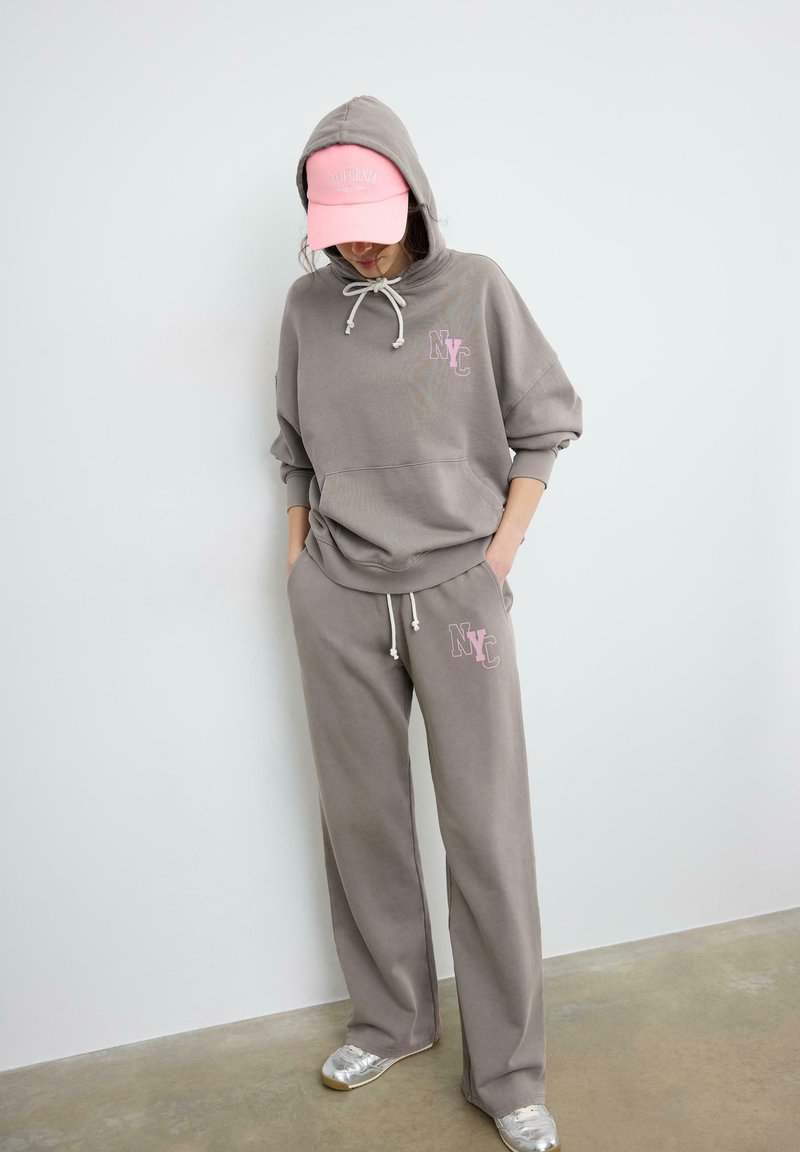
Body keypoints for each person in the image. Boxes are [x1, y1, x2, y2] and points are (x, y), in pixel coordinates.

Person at [269, 93, 582, 1152]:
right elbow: (292, 449)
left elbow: (545, 423)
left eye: (372, 219)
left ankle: (507, 1075)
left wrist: (497, 558)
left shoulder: (475, 288)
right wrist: (299, 562)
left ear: (412, 197)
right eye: (337, 227)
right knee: (362, 820)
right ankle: (391, 1019)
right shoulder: (306, 309)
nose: (357, 245)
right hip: (340, 595)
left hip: (457, 593)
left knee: (485, 832)